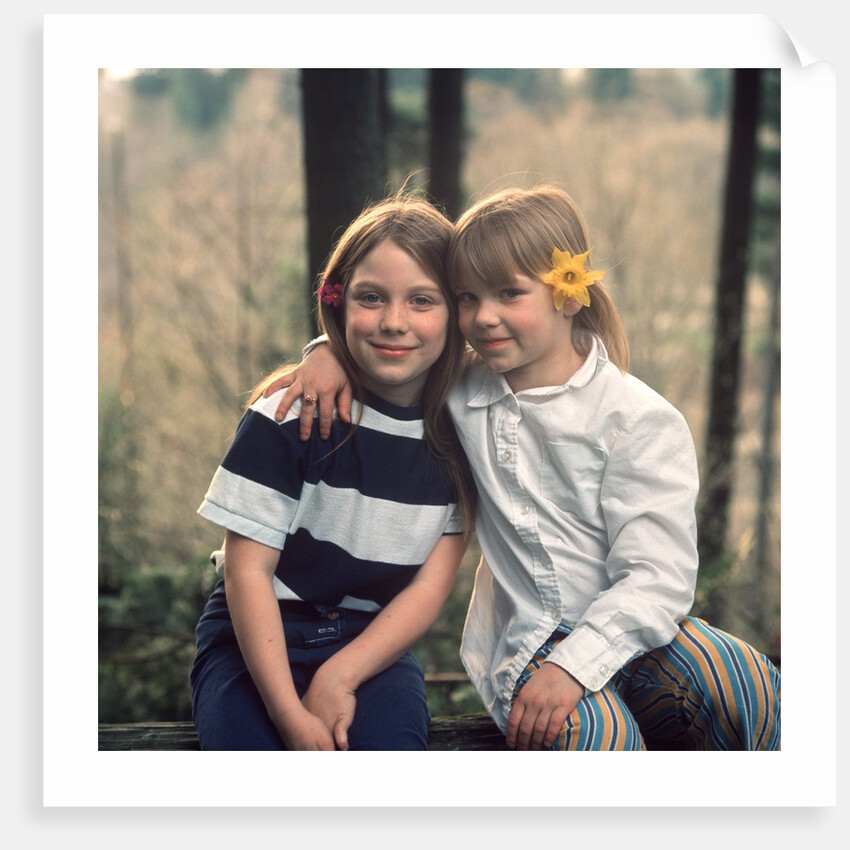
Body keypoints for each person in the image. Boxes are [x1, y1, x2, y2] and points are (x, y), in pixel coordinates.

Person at [267, 185, 781, 751]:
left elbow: (658, 579)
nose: (484, 317)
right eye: (466, 297)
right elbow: (394, 345)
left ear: (569, 293)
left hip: (633, 632)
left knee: (748, 685)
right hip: (532, 638)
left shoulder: (637, 420)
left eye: (510, 293)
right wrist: (328, 348)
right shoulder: (455, 392)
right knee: (598, 741)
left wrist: (576, 667)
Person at [189, 193, 476, 751]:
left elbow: (429, 586)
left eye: (423, 300)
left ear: (457, 312)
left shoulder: (464, 431)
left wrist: (341, 674)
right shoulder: (293, 413)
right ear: (338, 301)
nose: (395, 322)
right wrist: (289, 716)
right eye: (372, 298)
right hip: (254, 641)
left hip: (372, 649)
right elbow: (247, 574)